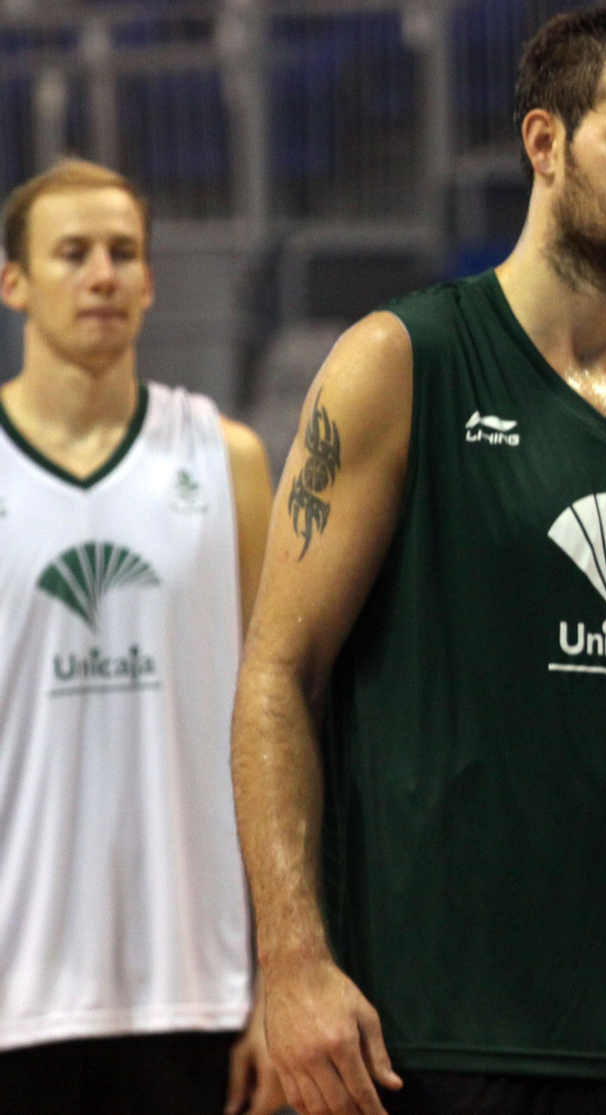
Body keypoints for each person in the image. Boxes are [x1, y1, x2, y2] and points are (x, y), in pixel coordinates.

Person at [229, 8, 606, 1115]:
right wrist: (290, 962)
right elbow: (279, 673)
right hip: (430, 1029)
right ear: (544, 143)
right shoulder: (401, 359)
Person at [0, 159, 281, 1115]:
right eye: (72, 253)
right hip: (14, 991)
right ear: (15, 282)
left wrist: (282, 974)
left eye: (124, 253)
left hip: (196, 984)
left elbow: (283, 717)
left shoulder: (226, 458)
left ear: (152, 281)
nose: (103, 274)